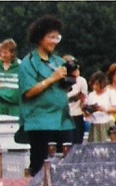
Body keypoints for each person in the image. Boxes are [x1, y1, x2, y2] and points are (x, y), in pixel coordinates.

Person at [18, 15, 74, 177]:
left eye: (57, 37)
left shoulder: (58, 61)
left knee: (67, 165)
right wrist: (52, 79)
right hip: (41, 122)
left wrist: (69, 78)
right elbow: (28, 92)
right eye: (51, 37)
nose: (55, 41)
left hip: (63, 122)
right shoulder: (28, 64)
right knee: (41, 166)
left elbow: (64, 88)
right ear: (40, 38)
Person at [0, 39, 21, 117]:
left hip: (13, 106)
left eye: (5, 53)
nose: (2, 55)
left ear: (12, 53)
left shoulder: (20, 65)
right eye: (1, 52)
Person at [84, 71, 116, 143]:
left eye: (97, 84)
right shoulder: (91, 95)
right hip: (94, 124)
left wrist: (103, 109)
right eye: (93, 84)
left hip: (107, 123)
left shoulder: (110, 93)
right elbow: (87, 113)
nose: (94, 87)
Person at [63, 56, 88, 144]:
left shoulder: (81, 81)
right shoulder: (61, 80)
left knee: (77, 142)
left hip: (77, 115)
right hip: (64, 116)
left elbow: (83, 99)